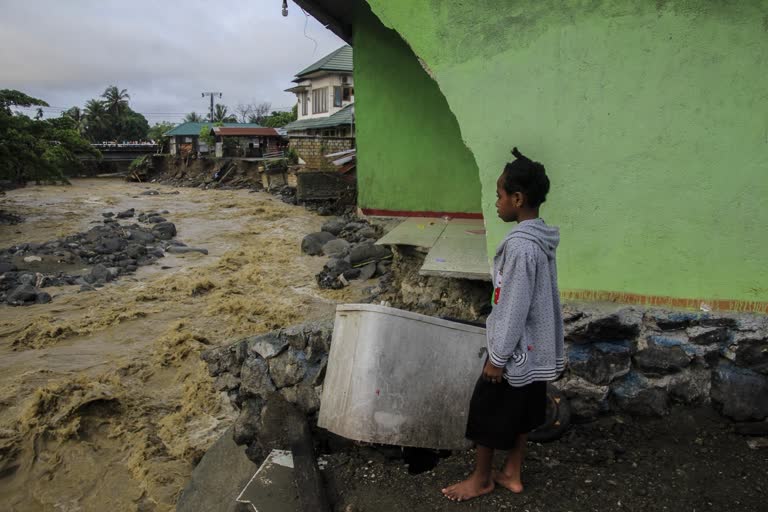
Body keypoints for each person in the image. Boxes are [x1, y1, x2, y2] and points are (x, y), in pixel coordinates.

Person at [442, 147, 565, 502]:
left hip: (516, 353)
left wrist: (497, 358)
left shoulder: (521, 248)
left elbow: (512, 307)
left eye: (499, 195)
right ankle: (511, 472)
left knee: (488, 410)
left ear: (517, 198)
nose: (495, 202)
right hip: (535, 349)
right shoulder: (541, 240)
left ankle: (482, 478)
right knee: (525, 412)